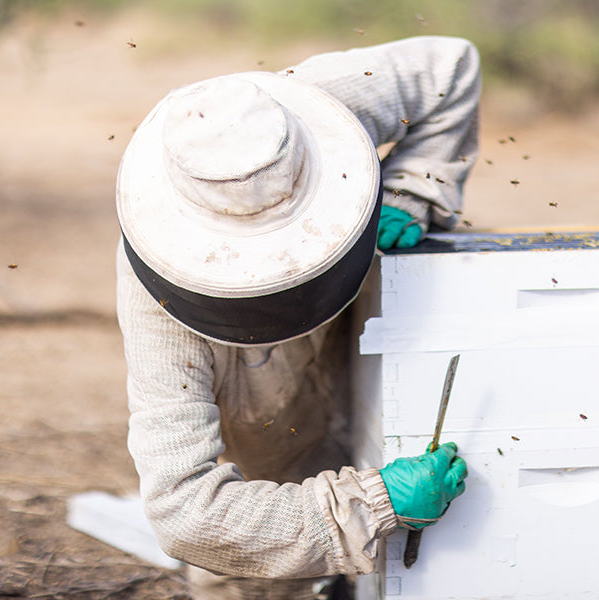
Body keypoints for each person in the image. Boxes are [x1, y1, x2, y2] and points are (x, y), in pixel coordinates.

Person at [114, 36, 479, 599]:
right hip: (256, 389)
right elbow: (183, 511)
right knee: (254, 545)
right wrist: (368, 505)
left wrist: (414, 188)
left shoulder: (319, 105)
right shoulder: (156, 304)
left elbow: (450, 67)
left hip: (355, 297)